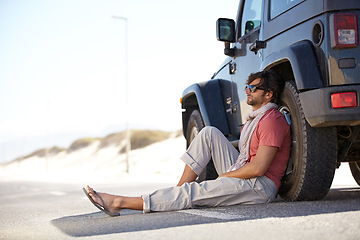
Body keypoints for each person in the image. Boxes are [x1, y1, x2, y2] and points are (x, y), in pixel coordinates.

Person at [83, 70, 291, 216]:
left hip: (260, 186)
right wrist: (229, 174)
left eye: (252, 88)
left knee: (197, 192)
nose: (247, 91)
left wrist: (226, 176)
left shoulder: (272, 120)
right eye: (247, 86)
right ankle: (178, 192)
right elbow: (248, 163)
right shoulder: (256, 118)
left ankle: (119, 202)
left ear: (268, 94)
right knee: (209, 133)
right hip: (244, 172)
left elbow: (258, 168)